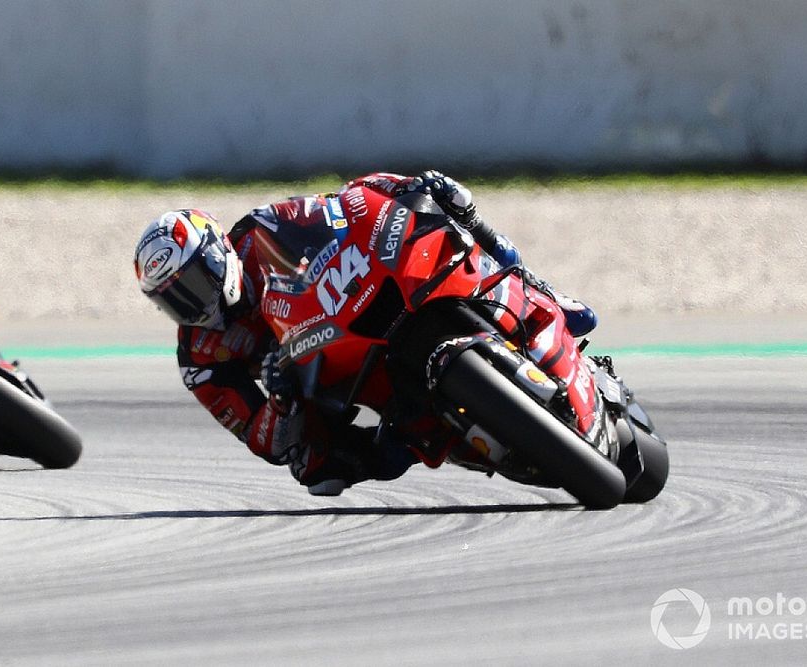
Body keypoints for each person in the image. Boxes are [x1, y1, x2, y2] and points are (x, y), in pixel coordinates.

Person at [133, 171, 597, 496]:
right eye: (174, 301)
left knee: (453, 208)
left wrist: (407, 189)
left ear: (218, 252)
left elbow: (344, 204)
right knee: (315, 470)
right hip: (319, 382)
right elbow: (263, 441)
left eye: (194, 284)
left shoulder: (262, 231)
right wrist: (281, 400)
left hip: (344, 316)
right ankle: (417, 438)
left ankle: (547, 294)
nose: (194, 305)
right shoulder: (200, 359)